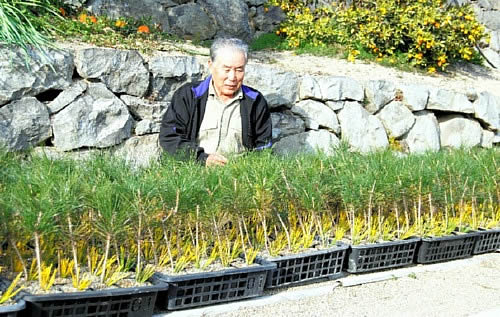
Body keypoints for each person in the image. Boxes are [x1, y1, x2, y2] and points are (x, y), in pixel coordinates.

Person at [159, 38, 272, 166]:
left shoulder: (255, 101)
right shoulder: (188, 95)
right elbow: (169, 137)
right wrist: (201, 159)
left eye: (239, 70)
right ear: (211, 65)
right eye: (227, 69)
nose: (232, 77)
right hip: (191, 172)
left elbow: (264, 147)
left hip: (237, 176)